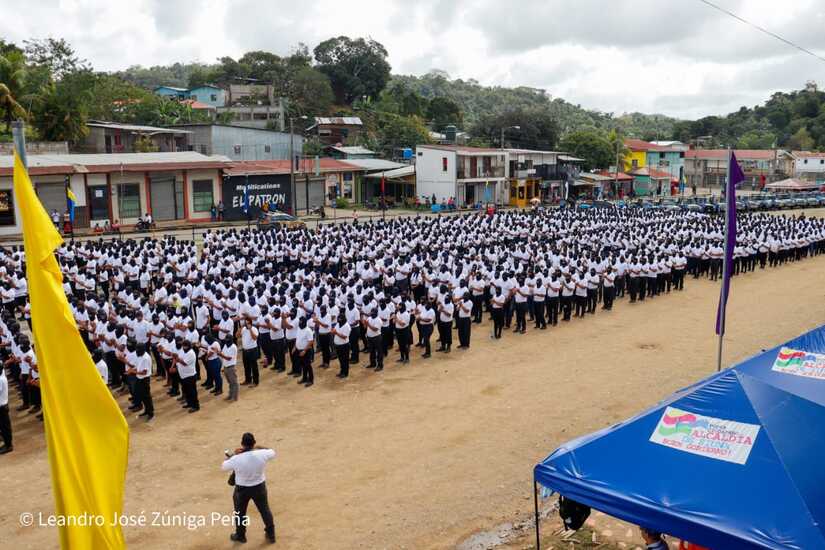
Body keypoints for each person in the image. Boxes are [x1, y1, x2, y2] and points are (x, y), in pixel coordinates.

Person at [221, 433, 276, 544]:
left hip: (242, 490)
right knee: (265, 510)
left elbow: (224, 466)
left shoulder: (236, 458)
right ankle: (271, 534)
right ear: (254, 443)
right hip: (259, 487)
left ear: (242, 444)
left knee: (240, 513)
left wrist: (233, 455)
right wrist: (258, 447)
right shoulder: (262, 454)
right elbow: (272, 452)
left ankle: (240, 535)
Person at [0, 366, 11, 454]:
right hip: (3, 406)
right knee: (3, 427)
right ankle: (6, 443)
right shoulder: (2, 377)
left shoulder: (0, 379)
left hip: (2, 407)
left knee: (5, 428)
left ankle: (8, 445)